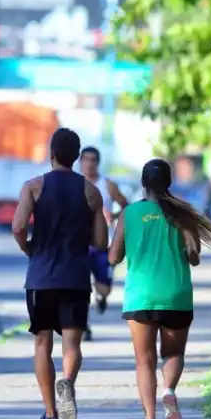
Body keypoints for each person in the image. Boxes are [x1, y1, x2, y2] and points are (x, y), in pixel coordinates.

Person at [108, 158, 211, 419]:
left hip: (141, 296)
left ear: (143, 183)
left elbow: (113, 257)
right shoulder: (183, 214)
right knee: (173, 354)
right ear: (169, 182)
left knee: (144, 361)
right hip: (176, 294)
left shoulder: (129, 214)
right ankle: (169, 390)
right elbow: (194, 257)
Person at [12, 128, 109, 419]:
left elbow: (18, 226)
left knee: (42, 343)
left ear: (50, 154)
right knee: (72, 344)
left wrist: (28, 247)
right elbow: (100, 241)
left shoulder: (33, 187)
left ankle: (51, 416)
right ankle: (66, 380)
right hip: (76, 277)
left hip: (41, 277)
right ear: (77, 157)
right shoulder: (91, 191)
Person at [79, 146, 129, 341]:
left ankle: (101, 298)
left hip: (102, 245)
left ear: (98, 163)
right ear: (80, 162)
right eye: (86, 159)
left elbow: (126, 206)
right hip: (80, 246)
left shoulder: (107, 185)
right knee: (80, 289)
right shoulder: (74, 184)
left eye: (93, 160)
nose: (89, 163)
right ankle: (83, 326)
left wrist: (113, 216)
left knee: (104, 288)